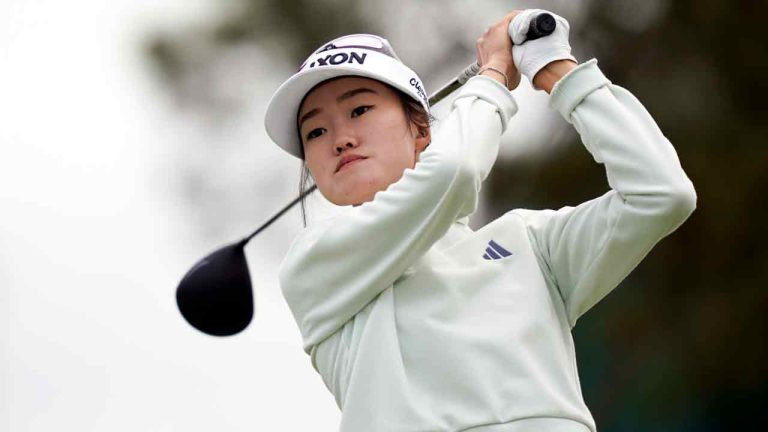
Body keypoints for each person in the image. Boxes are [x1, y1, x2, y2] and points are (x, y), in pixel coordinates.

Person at [263, 8, 696, 432]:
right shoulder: (316, 264)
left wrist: (559, 72)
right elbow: (455, 172)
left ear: (421, 130)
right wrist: (492, 76)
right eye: (315, 132)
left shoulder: (530, 242)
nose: (340, 139)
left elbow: (660, 193)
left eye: (359, 110)